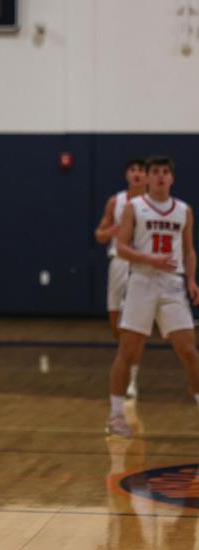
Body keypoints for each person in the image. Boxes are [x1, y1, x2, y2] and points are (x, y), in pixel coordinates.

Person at [106, 156, 199, 438]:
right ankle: (116, 415)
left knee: (189, 350)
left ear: (172, 178)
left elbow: (189, 251)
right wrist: (149, 259)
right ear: (147, 177)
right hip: (142, 282)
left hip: (172, 284)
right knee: (128, 350)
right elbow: (121, 248)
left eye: (165, 172)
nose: (160, 176)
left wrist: (191, 280)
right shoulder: (134, 207)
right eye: (155, 172)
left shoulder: (183, 210)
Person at [95, 158, 147, 398]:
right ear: (127, 175)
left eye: (141, 170)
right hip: (117, 262)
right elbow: (99, 235)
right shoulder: (115, 201)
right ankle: (125, 366)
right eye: (132, 170)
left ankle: (132, 380)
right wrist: (109, 232)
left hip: (141, 266)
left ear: (146, 176)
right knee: (116, 323)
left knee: (133, 326)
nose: (136, 173)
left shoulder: (153, 204)